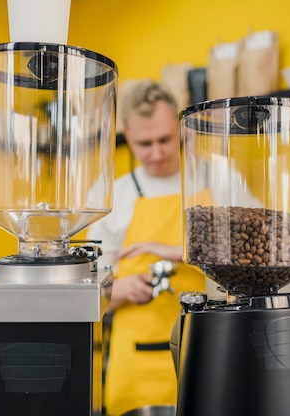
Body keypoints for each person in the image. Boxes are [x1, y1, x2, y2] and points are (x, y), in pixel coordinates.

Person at [86, 80, 206, 416]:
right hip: (137, 365)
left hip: (211, 350)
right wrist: (117, 289)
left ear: (182, 128)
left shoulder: (216, 179)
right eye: (144, 143)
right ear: (126, 134)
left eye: (165, 139)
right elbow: (87, 286)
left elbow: (255, 257)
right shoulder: (112, 195)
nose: (156, 153)